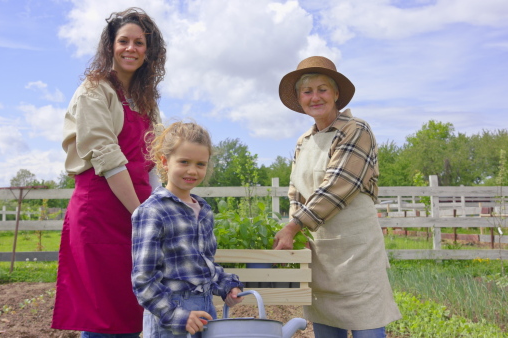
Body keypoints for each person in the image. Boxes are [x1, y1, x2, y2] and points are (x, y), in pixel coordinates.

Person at [52, 7, 166, 338]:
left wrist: (161, 205)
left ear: (149, 50)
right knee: (103, 311)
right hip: (101, 210)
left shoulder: (146, 100)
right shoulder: (93, 91)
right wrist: (142, 215)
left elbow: (154, 160)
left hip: (139, 208)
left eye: (139, 43)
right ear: (110, 46)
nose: (131, 48)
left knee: (136, 305)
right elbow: (109, 158)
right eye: (124, 41)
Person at [272, 56, 401, 338]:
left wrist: (295, 225)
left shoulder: (355, 130)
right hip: (321, 252)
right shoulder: (303, 141)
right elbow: (295, 191)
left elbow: (338, 185)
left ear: (336, 94)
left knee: (367, 325)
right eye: (307, 91)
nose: (315, 97)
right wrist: (297, 232)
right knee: (327, 326)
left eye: (322, 89)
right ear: (299, 98)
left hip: (356, 251)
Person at [131, 121, 244, 338]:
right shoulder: (152, 211)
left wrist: (227, 286)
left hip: (205, 310)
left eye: (200, 164)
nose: (192, 170)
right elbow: (143, 281)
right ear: (165, 162)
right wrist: (177, 315)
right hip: (170, 316)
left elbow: (205, 265)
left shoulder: (204, 211)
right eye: (184, 162)